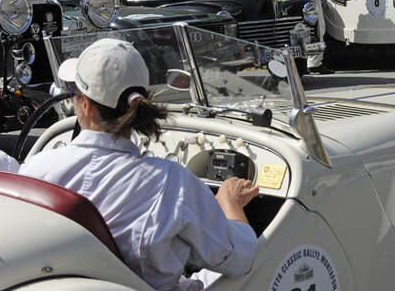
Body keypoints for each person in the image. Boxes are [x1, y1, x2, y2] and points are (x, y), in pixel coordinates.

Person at [20, 38, 259, 291]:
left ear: (86, 105)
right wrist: (230, 205)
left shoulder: (37, 169)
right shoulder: (172, 182)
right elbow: (239, 259)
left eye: (74, 93)